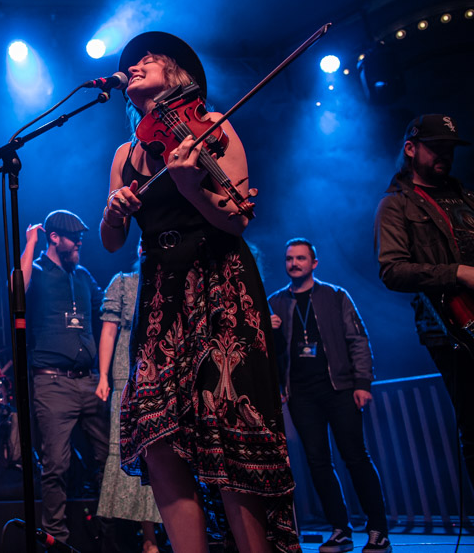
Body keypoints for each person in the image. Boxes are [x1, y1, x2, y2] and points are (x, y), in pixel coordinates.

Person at [100, 32, 298, 552]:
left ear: (180, 77)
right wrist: (111, 213)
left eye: (151, 59)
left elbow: (236, 222)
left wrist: (192, 187)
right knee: (160, 433)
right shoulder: (125, 153)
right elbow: (114, 242)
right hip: (162, 293)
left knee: (229, 421)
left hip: (218, 284)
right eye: (133, 64)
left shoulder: (215, 128)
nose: (137, 64)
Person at [268, 238, 390, 553]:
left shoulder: (335, 296)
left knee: (355, 456)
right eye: (289, 259)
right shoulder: (276, 302)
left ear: (314, 263)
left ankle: (378, 529)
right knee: (317, 462)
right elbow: (268, 353)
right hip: (301, 394)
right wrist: (269, 331)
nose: (294, 263)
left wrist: (362, 382)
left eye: (300, 258)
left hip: (340, 388)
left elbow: (357, 338)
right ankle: (340, 529)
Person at [375, 113, 474, 492]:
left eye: (449, 148)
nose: (444, 155)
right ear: (411, 149)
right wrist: (458, 273)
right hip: (452, 328)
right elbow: (392, 271)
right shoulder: (396, 206)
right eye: (436, 147)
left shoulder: (466, 196)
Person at [21, 209, 108, 545]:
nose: (79, 241)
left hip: (89, 381)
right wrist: (30, 244)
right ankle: (55, 538)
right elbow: (19, 288)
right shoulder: (38, 271)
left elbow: (108, 310)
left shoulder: (83, 275)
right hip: (52, 382)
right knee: (56, 464)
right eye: (74, 236)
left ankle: (109, 530)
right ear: (54, 238)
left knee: (108, 457)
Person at [95, 249, 161, 553]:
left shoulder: (170, 282)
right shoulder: (123, 282)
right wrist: (104, 376)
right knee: (134, 452)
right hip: (128, 375)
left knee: (164, 453)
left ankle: (172, 532)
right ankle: (149, 539)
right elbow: (108, 332)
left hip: (164, 374)